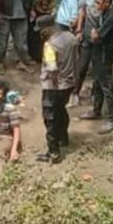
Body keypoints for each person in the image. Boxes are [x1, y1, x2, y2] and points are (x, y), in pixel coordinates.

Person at [73, 0, 113, 107]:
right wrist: (79, 30)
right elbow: (82, 10)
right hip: (90, 36)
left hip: (103, 43)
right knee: (83, 66)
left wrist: (100, 34)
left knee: (101, 75)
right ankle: (78, 94)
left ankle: (101, 104)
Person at [78, 0, 113, 134]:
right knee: (97, 83)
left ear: (107, 2)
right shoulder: (102, 14)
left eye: (99, 2)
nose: (96, 5)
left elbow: (96, 36)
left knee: (107, 86)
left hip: (105, 54)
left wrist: (93, 33)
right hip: (97, 53)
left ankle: (111, 120)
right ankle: (96, 111)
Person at [34, 14, 76, 163]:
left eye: (42, 30)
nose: (40, 33)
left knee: (50, 117)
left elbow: (52, 68)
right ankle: (64, 138)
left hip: (54, 86)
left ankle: (53, 152)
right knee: (61, 110)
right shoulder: (70, 37)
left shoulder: (50, 46)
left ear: (48, 28)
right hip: (69, 83)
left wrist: (51, 86)